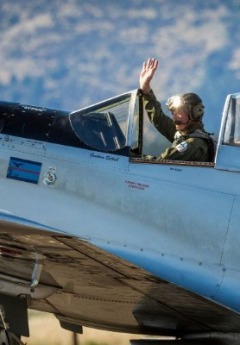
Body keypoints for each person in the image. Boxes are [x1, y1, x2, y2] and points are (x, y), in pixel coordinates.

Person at [139, 58, 215, 162]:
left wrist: (133, 157)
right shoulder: (184, 132)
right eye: (173, 112)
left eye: (179, 112)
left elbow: (162, 162)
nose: (174, 116)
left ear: (194, 114)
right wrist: (145, 89)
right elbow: (159, 119)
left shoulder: (194, 143)